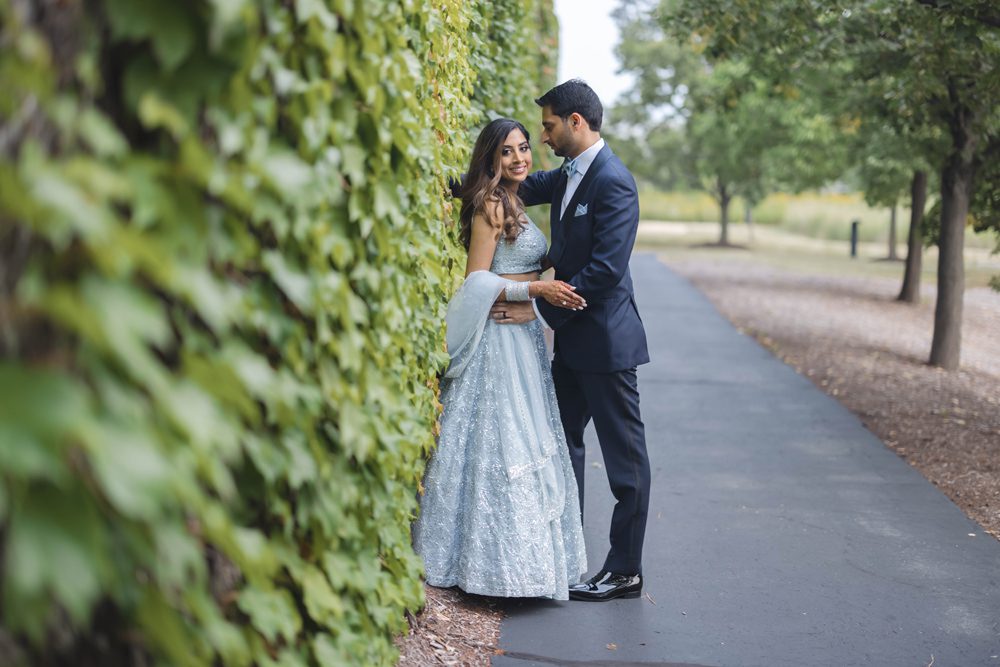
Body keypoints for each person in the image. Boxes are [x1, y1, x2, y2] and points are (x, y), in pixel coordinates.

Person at [490, 80, 651, 602]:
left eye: (549, 125)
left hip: (606, 346)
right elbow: (514, 183)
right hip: (571, 344)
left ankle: (625, 570)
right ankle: (566, 554)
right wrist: (455, 182)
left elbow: (605, 271)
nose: (543, 135)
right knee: (562, 449)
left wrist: (532, 301)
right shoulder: (568, 175)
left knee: (625, 465)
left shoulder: (614, 181)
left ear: (576, 122)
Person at [414, 118, 587, 599]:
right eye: (507, 152)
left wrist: (534, 293)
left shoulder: (516, 199)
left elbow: (521, 264)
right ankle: (488, 568)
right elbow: (476, 281)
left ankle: (526, 566)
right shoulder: (491, 204)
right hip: (497, 343)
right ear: (491, 158)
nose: (520, 159)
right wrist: (532, 289)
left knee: (529, 439)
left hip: (524, 337)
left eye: (525, 148)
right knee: (502, 443)